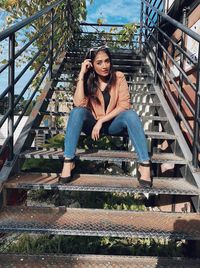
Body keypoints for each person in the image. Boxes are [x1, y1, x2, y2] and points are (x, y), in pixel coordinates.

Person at [59, 45, 152, 188]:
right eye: (99, 62)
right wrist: (82, 75)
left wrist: (101, 120)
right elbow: (79, 103)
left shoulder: (119, 77)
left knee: (131, 114)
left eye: (107, 61)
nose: (104, 66)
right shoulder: (89, 80)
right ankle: (68, 161)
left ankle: (144, 164)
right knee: (76, 112)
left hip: (112, 124)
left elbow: (124, 105)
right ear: (91, 64)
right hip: (91, 125)